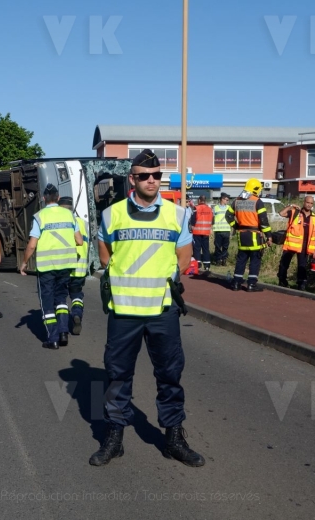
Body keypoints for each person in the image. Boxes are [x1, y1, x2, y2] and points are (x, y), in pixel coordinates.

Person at [90, 149, 204, 468]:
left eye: (156, 176)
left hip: (162, 310)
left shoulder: (177, 214)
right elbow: (104, 253)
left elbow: (184, 256)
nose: (151, 180)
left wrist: (165, 278)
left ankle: (174, 437)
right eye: (144, 175)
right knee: (117, 375)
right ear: (132, 179)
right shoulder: (112, 214)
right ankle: (114, 436)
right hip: (124, 311)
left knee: (170, 374)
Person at [19, 184, 83, 350]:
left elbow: (32, 245)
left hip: (47, 268)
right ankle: (63, 332)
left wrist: (24, 263)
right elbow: (79, 241)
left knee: (47, 303)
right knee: (61, 299)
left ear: (43, 199)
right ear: (58, 198)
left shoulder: (40, 217)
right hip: (66, 265)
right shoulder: (69, 215)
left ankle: (53, 338)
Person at [225, 178, 272, 292]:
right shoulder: (257, 201)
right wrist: (269, 235)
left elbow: (228, 216)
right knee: (255, 260)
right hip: (255, 236)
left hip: (242, 236)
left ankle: (236, 283)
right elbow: (263, 221)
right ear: (256, 189)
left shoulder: (237, 200)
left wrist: (236, 226)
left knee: (241, 259)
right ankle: (251, 285)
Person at [59, 196, 88, 336]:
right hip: (80, 267)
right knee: (77, 295)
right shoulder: (82, 223)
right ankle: (76, 314)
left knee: (61, 297)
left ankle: (63, 325)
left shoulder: (62, 222)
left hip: (65, 266)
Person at [277, 196, 315, 290]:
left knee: (302, 265)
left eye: (311, 203)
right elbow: (281, 213)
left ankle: (301, 283)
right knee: (284, 263)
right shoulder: (295, 212)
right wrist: (291, 206)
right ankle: (282, 280)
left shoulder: (314, 217)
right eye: (307, 202)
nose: (309, 205)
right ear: (304, 202)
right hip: (291, 244)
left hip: (305, 246)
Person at [191, 195, 214, 272]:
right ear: (205, 200)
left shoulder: (196, 208)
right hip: (206, 232)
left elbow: (193, 220)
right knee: (206, 249)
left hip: (197, 231)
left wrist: (192, 227)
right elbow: (212, 221)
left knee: (197, 248)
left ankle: (198, 264)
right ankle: (207, 265)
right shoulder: (210, 209)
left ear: (199, 200)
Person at [211, 192, 231, 266]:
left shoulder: (229, 208)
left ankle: (224, 259)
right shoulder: (215, 208)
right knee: (218, 246)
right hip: (218, 230)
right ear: (222, 199)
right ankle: (218, 260)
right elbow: (212, 219)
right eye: (226, 200)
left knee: (225, 246)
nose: (227, 201)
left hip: (226, 230)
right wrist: (211, 227)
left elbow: (232, 218)